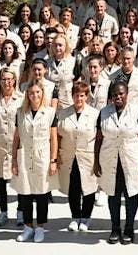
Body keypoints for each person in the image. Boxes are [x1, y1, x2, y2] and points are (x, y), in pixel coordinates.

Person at [95, 81, 138, 244]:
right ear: (111, 96)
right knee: (113, 194)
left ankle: (129, 228)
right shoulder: (104, 112)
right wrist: (96, 162)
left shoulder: (137, 112)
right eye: (115, 94)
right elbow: (98, 139)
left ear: (127, 94)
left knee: (131, 194)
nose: (118, 97)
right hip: (110, 159)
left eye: (121, 94)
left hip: (131, 158)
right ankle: (115, 228)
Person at [12, 81, 59, 243]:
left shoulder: (50, 113)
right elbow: (16, 138)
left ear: (42, 93)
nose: (35, 95)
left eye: (38, 92)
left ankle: (40, 227)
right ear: (27, 95)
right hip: (24, 155)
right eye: (31, 93)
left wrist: (53, 160)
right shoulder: (20, 112)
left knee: (41, 194)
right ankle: (27, 227)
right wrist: (13, 160)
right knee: (24, 194)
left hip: (43, 157)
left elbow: (53, 138)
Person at [57, 81, 99, 232]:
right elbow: (58, 136)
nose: (79, 99)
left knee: (88, 188)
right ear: (72, 96)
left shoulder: (94, 114)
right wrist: (57, 155)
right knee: (72, 187)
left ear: (86, 96)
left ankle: (86, 218)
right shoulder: (63, 113)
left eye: (82, 95)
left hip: (87, 156)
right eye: (76, 95)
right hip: (69, 155)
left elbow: (99, 138)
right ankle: (75, 217)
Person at [0, 68, 25, 227]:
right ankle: (3, 212)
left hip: (17, 144)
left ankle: (21, 211)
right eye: (3, 79)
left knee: (19, 180)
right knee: (0, 181)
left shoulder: (22, 98)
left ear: (14, 81)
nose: (7, 82)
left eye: (10, 79)